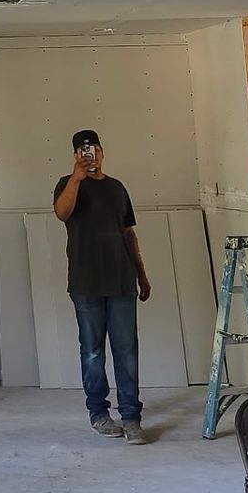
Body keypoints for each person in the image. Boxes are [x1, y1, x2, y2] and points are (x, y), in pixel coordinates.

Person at [52, 127, 152, 443]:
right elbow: (61, 213)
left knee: (127, 351)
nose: (89, 155)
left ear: (102, 152)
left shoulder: (117, 188)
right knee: (93, 352)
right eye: (83, 150)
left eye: (94, 148)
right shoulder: (67, 185)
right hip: (86, 283)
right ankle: (98, 413)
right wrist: (76, 177)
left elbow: (128, 233)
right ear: (75, 155)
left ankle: (131, 417)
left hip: (121, 280)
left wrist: (141, 273)